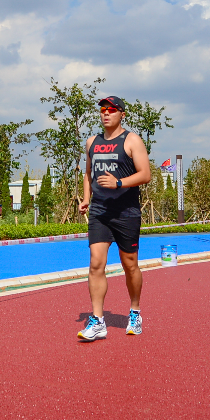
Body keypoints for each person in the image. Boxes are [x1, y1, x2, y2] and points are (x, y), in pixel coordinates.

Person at [77, 96, 152, 342]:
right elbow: (88, 174)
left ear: (122, 114)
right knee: (95, 263)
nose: (106, 113)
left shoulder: (131, 140)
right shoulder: (92, 142)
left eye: (111, 109)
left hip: (126, 212)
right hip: (100, 212)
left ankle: (135, 311)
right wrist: (87, 198)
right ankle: (98, 321)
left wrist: (119, 182)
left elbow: (146, 174)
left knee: (129, 264)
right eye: (102, 110)